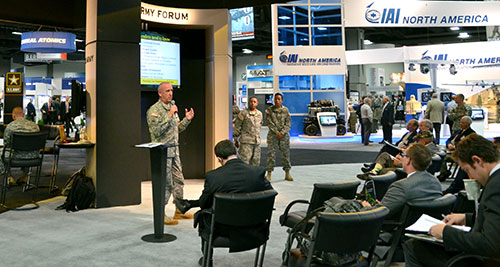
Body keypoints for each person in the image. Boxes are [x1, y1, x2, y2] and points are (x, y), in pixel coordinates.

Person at [403, 134, 500, 267]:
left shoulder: (495, 187)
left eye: (467, 170)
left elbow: (491, 244)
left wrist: (445, 232)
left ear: (477, 161)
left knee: (414, 247)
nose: (470, 177)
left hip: (485, 260)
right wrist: (467, 218)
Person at [173, 140, 273, 264]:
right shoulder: (257, 173)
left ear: (219, 159)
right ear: (236, 151)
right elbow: (269, 194)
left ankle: (208, 259)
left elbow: (204, 204)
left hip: (222, 229)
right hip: (255, 228)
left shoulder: (213, 177)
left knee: (203, 214)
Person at [146, 82, 195, 225]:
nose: (170, 93)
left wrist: (187, 120)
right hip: (162, 153)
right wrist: (169, 114)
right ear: (160, 93)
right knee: (165, 184)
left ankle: (179, 210)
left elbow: (176, 129)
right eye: (167, 91)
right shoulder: (154, 110)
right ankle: (160, 214)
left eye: (171, 90)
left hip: (174, 151)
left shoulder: (171, 109)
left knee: (179, 180)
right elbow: (156, 131)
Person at [363, 143, 442, 221]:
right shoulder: (435, 182)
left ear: (408, 160)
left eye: (403, 156)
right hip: (425, 226)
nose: (400, 158)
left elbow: (380, 214)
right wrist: (385, 204)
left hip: (398, 228)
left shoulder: (400, 186)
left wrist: (368, 207)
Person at [358, 131, 439, 179]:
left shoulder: (425, 150)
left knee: (382, 170)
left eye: (419, 140)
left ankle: (373, 174)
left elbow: (417, 164)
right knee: (385, 155)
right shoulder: (425, 147)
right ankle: (373, 171)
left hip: (407, 169)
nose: (417, 142)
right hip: (407, 164)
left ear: (425, 141)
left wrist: (401, 161)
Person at [2, 107, 40, 186]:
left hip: (15, 156)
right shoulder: (35, 126)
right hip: (33, 156)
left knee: (2, 152)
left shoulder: (10, 127)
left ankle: (9, 177)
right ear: (23, 115)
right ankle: (25, 176)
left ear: (13, 116)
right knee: (26, 148)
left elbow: (6, 143)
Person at [438, 116, 475, 181]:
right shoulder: (458, 131)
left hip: (459, 152)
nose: (460, 124)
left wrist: (454, 147)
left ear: (468, 124)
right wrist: (449, 144)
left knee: (444, 157)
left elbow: (467, 145)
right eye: (460, 122)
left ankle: (444, 173)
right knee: (440, 155)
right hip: (450, 150)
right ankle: (444, 172)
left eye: (463, 123)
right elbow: (449, 139)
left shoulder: (471, 133)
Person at [265, 93, 293, 181]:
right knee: (271, 155)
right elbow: (269, 122)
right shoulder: (269, 110)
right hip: (273, 136)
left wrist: (282, 132)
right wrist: (277, 132)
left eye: (278, 99)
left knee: (286, 155)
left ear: (282, 100)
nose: (276, 100)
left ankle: (287, 173)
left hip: (284, 137)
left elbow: (288, 123)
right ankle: (269, 173)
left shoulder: (286, 110)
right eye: (275, 99)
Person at [233, 96, 262, 167]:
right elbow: (237, 127)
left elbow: (260, 125)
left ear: (257, 103)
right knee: (245, 162)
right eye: (251, 102)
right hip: (246, 142)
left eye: (254, 102)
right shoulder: (243, 113)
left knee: (256, 162)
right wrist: (235, 140)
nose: (252, 103)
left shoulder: (260, 114)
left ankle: (254, 177)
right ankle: (245, 177)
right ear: (248, 103)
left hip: (257, 142)